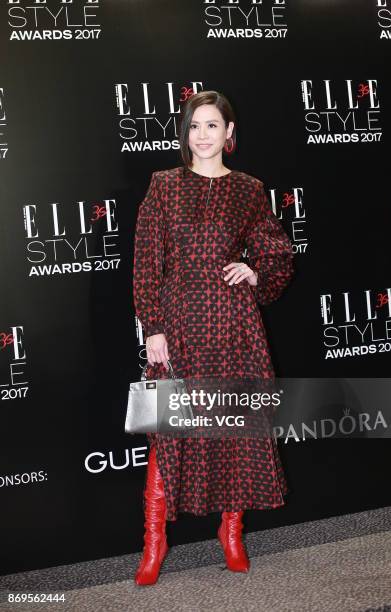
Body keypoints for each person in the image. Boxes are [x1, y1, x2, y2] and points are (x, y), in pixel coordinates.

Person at [132, 90, 294, 585]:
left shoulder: (248, 189)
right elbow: (145, 261)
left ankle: (231, 532)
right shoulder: (163, 185)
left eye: (211, 125)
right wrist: (153, 327)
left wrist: (254, 269)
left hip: (233, 325)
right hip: (178, 326)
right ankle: (153, 543)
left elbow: (277, 253)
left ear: (229, 133)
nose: (202, 135)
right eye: (194, 126)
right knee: (167, 432)